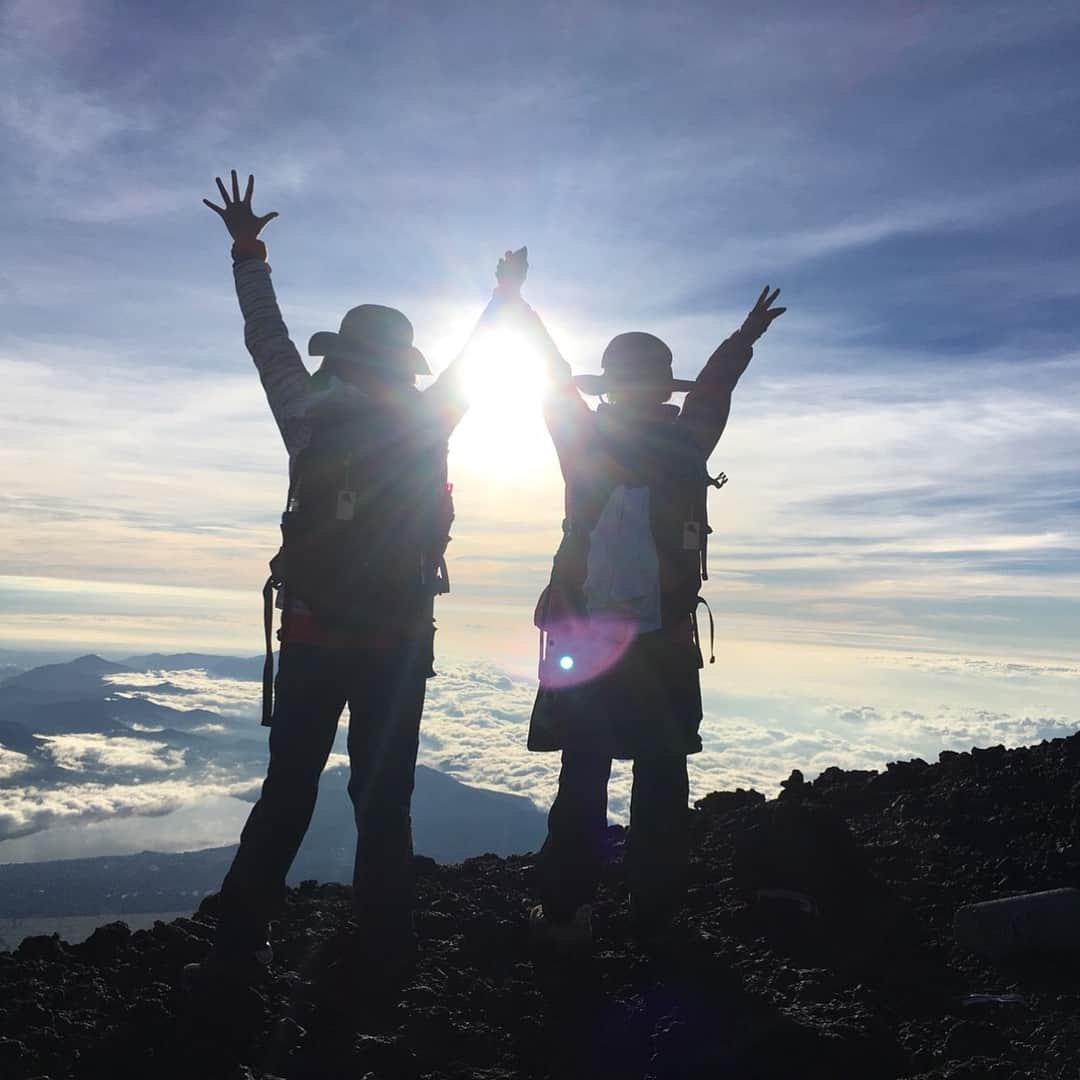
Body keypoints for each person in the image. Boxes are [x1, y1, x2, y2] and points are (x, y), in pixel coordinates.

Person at [187, 170, 522, 984]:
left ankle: (239, 946)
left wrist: (247, 252)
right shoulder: (431, 417)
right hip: (400, 641)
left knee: (288, 792)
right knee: (383, 802)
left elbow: (264, 337)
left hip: (310, 634)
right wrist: (503, 297)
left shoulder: (309, 415)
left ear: (342, 355)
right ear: (402, 365)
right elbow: (482, 362)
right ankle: (381, 950)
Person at [515, 271, 785, 946]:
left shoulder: (582, 441)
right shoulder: (686, 444)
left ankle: (566, 911)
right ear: (665, 389)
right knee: (661, 774)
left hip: (589, 635)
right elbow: (716, 391)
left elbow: (551, 382)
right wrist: (742, 339)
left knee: (587, 767)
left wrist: (519, 309)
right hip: (663, 638)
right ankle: (654, 910)